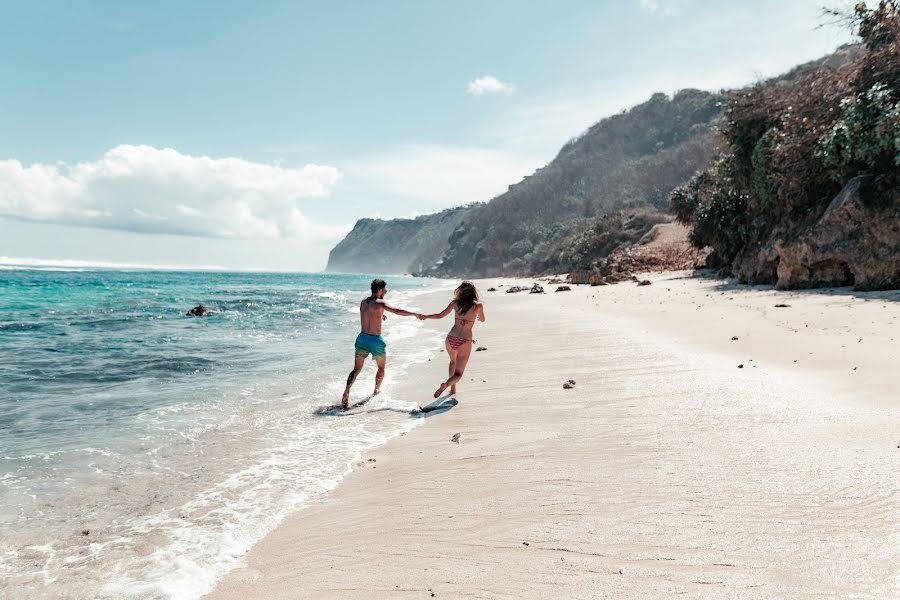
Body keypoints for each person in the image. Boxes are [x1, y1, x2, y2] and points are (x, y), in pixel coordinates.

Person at [341, 279, 421, 409]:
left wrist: (381, 316)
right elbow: (396, 311)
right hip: (375, 341)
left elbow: (368, 315)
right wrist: (414, 314)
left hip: (361, 339)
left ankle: (346, 391)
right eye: (385, 290)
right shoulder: (380, 303)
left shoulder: (363, 302)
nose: (386, 292)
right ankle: (376, 391)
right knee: (381, 368)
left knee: (356, 369)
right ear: (379, 290)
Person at [417, 281, 486, 398]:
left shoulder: (455, 303)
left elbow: (439, 315)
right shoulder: (477, 306)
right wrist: (478, 316)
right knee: (458, 373)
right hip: (465, 341)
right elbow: (483, 319)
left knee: (453, 361)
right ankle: (447, 385)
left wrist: (426, 316)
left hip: (451, 339)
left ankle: (453, 389)